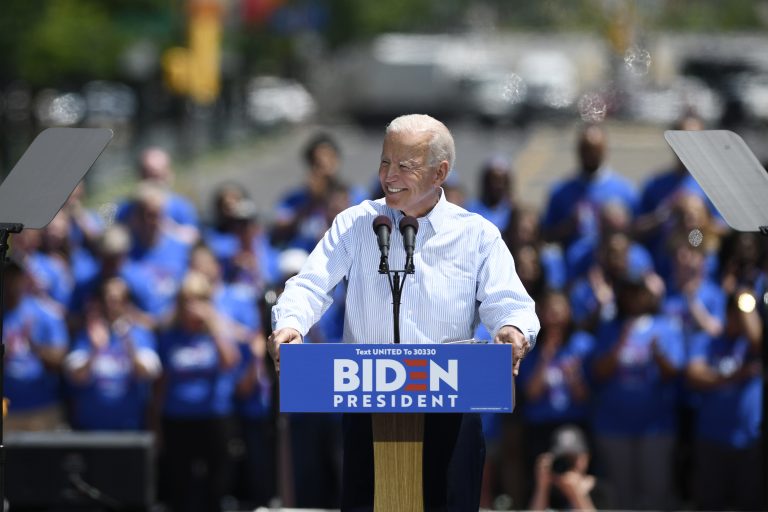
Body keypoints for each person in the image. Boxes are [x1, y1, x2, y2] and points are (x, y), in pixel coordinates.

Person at [267, 114, 539, 510]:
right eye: (384, 162)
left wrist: (512, 330)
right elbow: (309, 285)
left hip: (451, 405)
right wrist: (290, 324)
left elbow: (510, 304)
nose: (388, 175)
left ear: (439, 172)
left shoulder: (476, 234)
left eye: (404, 166)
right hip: (367, 404)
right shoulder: (358, 223)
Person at [541, 123, 638, 251]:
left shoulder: (625, 190)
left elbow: (637, 233)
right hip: (573, 267)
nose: (590, 155)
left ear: (605, 149)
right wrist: (568, 226)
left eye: (595, 149)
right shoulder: (560, 192)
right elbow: (545, 235)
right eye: (585, 149)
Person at [529, 425, 603, 511]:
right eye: (564, 459)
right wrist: (542, 488)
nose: (568, 465)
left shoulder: (599, 490)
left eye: (573, 459)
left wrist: (576, 493)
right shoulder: (549, 490)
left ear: (586, 457)